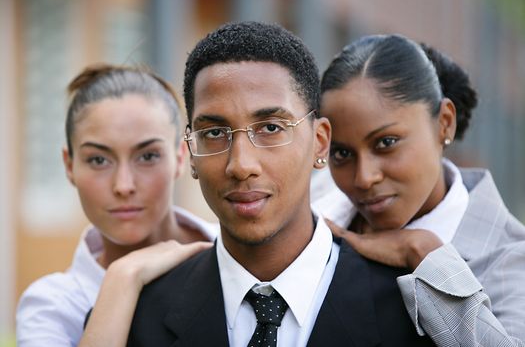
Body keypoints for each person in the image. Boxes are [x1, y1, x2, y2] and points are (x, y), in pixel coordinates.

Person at [127, 21, 436, 347]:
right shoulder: (137, 316)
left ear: (319, 142)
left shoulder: (414, 313)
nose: (241, 165)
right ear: (191, 153)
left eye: (271, 128)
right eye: (215, 133)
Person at [315, 34, 525, 346]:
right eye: (342, 153)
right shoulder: (314, 217)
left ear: (444, 123)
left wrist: (424, 252)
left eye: (386, 143)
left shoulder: (510, 259)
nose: (364, 178)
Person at [16, 64, 216, 347]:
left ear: (181, 157)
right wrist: (123, 279)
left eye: (147, 156)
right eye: (99, 160)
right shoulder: (52, 307)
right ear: (69, 165)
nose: (123, 185)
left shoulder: (240, 254)